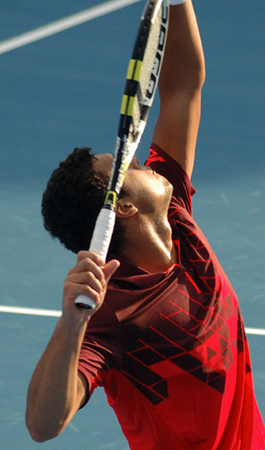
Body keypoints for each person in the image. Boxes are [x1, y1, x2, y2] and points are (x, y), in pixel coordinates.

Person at [25, 0, 265, 448]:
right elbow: (42, 425)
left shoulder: (175, 213)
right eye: (126, 166)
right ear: (127, 208)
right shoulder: (114, 314)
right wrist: (71, 324)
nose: (138, 158)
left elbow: (181, 86)